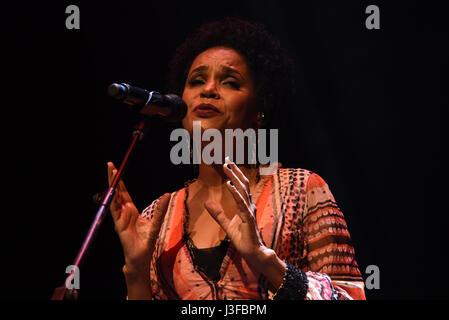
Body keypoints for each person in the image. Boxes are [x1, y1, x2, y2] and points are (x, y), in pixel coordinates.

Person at [107, 17, 366, 300]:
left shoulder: (301, 189)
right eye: (196, 81)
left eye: (230, 82)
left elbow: (350, 297)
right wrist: (136, 272)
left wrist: (266, 260)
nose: (208, 89)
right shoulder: (158, 216)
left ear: (260, 107)